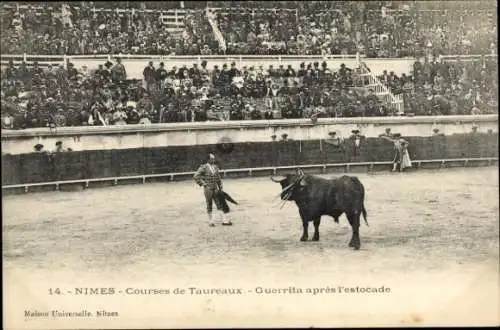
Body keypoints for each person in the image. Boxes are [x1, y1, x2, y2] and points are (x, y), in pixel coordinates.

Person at [193, 153, 233, 227]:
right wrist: (203, 183)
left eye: (214, 158)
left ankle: (224, 221)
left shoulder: (215, 167)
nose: (213, 160)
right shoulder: (204, 167)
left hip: (215, 188)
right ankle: (210, 221)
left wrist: (220, 185)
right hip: (208, 188)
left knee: (219, 204)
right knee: (209, 204)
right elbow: (196, 176)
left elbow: (218, 177)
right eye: (212, 159)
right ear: (208, 159)